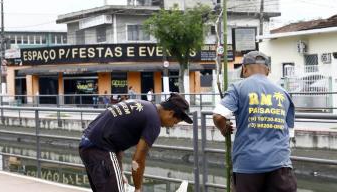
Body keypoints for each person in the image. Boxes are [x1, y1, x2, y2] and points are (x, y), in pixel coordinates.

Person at [212, 51, 297, 192]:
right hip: (280, 165)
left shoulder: (238, 88)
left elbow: (218, 116)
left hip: (248, 166)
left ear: (244, 69)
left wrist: (224, 129)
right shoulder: (283, 93)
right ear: (268, 70)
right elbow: (289, 134)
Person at [79, 93, 193, 192]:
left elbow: (117, 142)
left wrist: (120, 172)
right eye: (175, 122)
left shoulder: (145, 106)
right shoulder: (154, 121)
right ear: (170, 113)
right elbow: (138, 160)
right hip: (101, 150)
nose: (172, 125)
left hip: (88, 146)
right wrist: (138, 188)